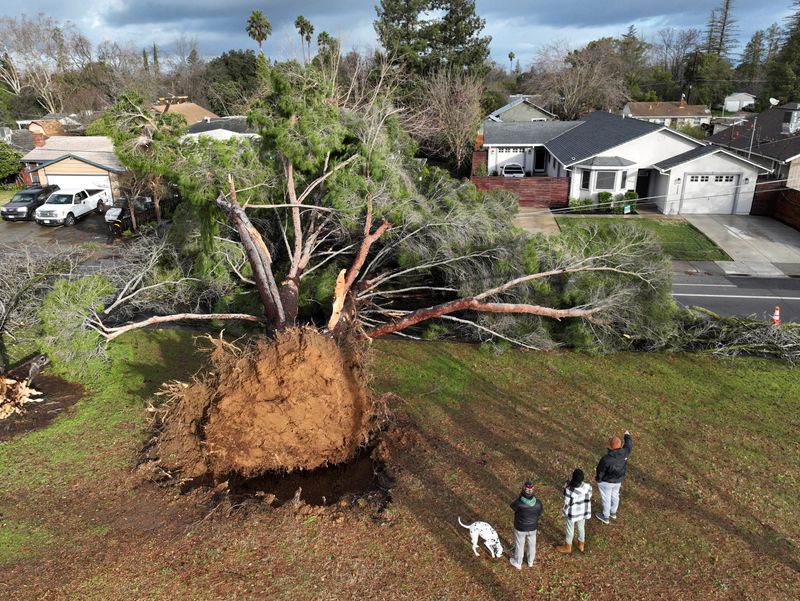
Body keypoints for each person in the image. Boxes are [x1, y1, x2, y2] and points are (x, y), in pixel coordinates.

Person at [595, 430, 633, 524]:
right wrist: (627, 435)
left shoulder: (606, 459)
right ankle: (613, 512)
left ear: (611, 446)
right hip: (618, 481)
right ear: (620, 445)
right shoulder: (625, 452)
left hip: (606, 482)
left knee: (606, 498)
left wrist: (598, 479)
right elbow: (629, 445)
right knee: (615, 496)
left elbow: (600, 471)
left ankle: (605, 516)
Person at [555, 468, 592, 554]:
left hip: (572, 513)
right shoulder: (588, 486)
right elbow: (589, 495)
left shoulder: (569, 489)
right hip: (583, 511)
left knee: (569, 529)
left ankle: (568, 547)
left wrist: (565, 488)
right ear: (582, 478)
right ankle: (581, 544)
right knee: (581, 527)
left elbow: (567, 502)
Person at [509, 479, 543, 569]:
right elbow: (540, 512)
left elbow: (512, 506)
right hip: (533, 528)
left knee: (520, 545)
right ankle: (530, 562)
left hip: (520, 528)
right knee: (532, 545)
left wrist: (519, 496)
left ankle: (518, 563)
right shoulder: (538, 503)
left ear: (523, 491)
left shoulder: (519, 503)